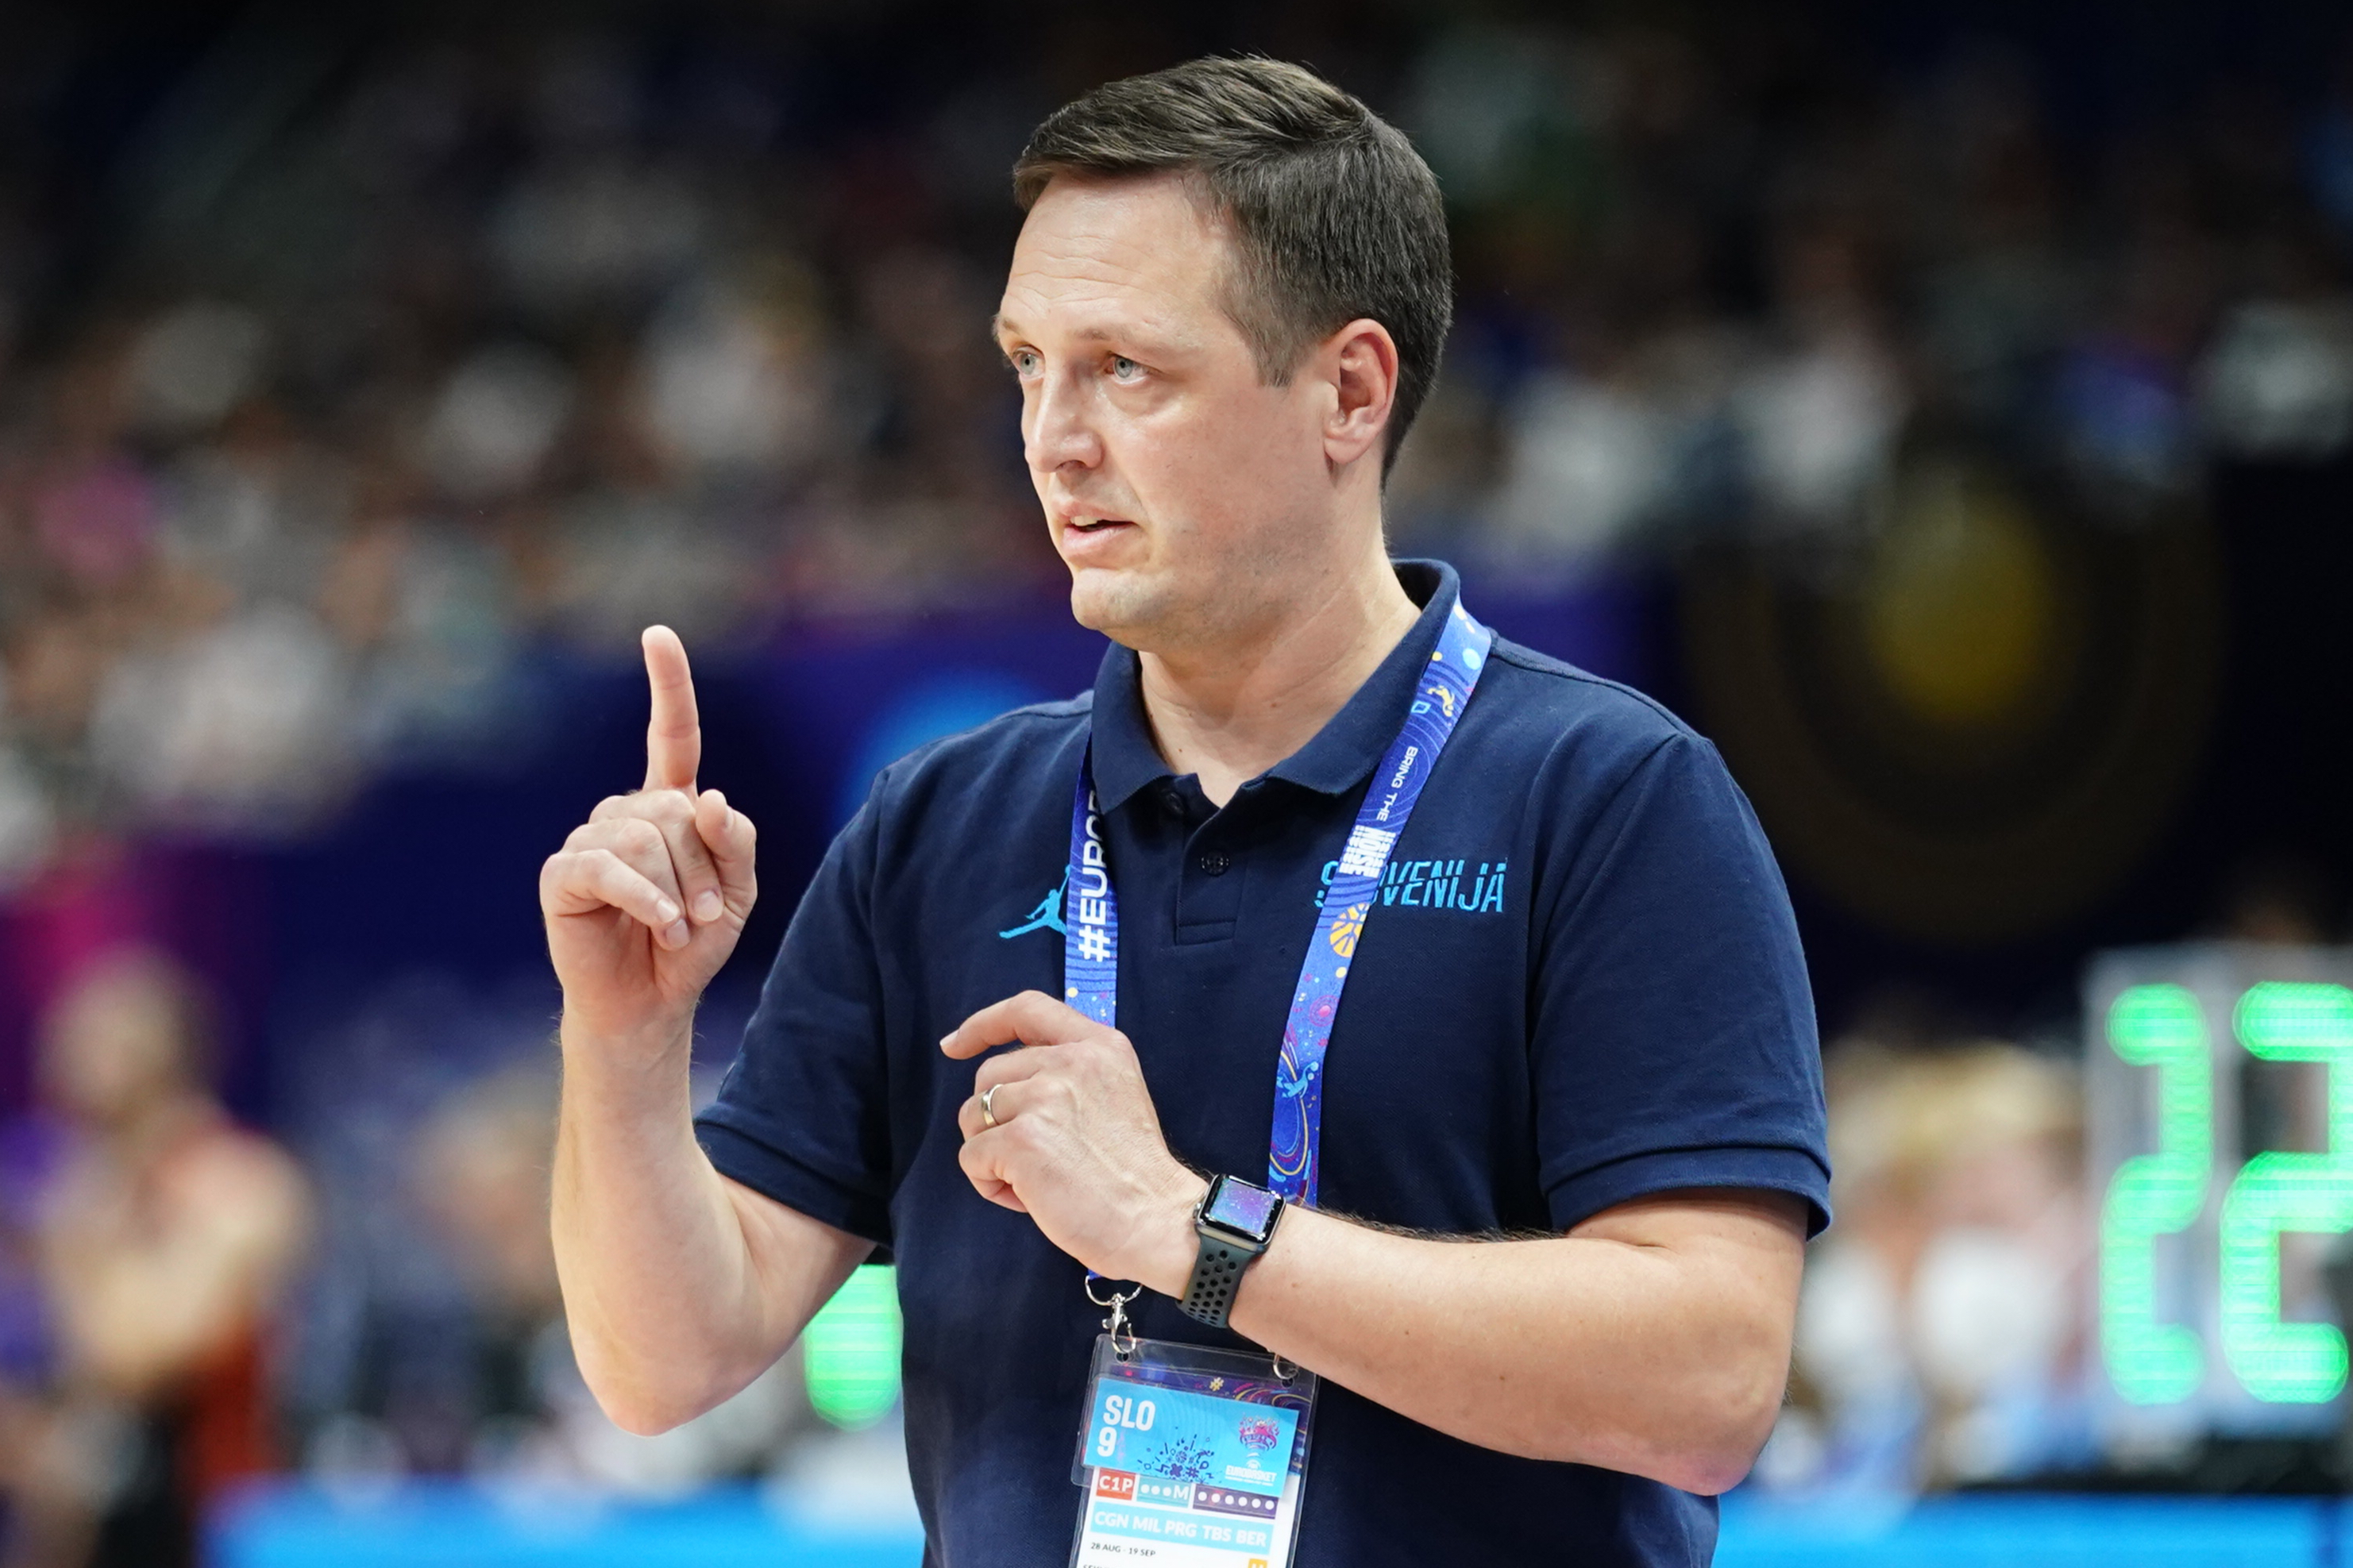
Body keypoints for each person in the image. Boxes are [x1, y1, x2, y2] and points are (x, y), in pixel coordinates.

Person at [544, 57, 1828, 1566]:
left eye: (1126, 370)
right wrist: (624, 1041)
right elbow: (661, 1365)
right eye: (1030, 364)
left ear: (1349, 391)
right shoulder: (938, 821)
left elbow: (1707, 1381)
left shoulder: (1607, 797)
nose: (1052, 436)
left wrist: (1194, 1234)